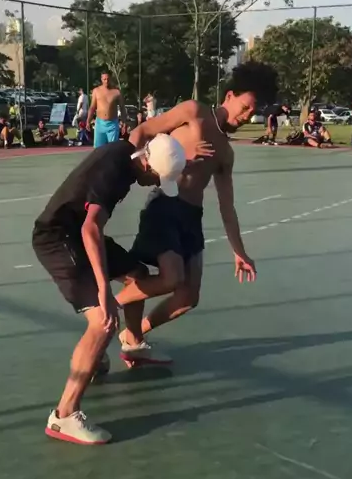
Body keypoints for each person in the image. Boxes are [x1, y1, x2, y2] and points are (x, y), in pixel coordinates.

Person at [32, 131, 213, 445]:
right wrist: (103, 289)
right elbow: (90, 228)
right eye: (156, 178)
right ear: (148, 165)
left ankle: (132, 343)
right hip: (59, 239)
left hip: (75, 233)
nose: (154, 184)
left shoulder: (127, 154)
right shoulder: (114, 175)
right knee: (103, 321)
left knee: (136, 274)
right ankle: (64, 415)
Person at [116, 62, 279, 353]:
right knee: (172, 278)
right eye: (244, 107)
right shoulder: (194, 112)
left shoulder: (226, 153)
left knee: (188, 297)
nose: (246, 116)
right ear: (229, 96)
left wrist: (239, 252)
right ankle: (103, 308)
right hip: (164, 206)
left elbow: (227, 207)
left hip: (191, 218)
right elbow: (142, 131)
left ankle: (133, 335)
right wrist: (143, 165)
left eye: (252, 112)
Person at [87, 72, 126, 147]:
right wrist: (88, 120)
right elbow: (92, 107)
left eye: (108, 79)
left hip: (112, 124)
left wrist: (124, 122)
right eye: (104, 79)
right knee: (98, 149)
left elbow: (122, 108)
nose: (106, 81)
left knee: (112, 148)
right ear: (101, 79)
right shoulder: (96, 91)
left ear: (110, 79)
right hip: (100, 123)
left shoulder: (117, 92)